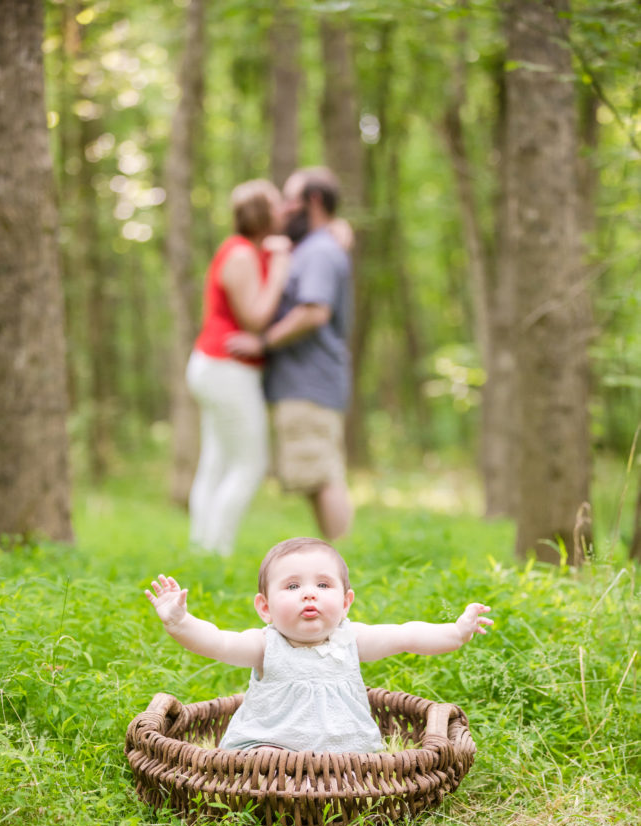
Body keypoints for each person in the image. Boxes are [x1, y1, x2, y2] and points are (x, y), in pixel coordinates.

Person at [145, 537, 493, 754]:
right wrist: (179, 622)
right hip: (271, 748)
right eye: (293, 586)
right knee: (264, 760)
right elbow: (218, 642)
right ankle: (279, 787)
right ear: (264, 608)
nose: (309, 593)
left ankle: (333, 785)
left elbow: (407, 635)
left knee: (356, 769)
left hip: (344, 755)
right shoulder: (265, 645)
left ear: (345, 603)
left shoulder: (352, 640)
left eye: (323, 585)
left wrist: (456, 632)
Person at [227, 168, 354, 542]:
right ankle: (339, 560)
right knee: (317, 475)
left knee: (323, 476)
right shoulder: (319, 246)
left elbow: (314, 311)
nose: (283, 209)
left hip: (309, 382)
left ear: (313, 201)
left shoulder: (319, 250)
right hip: (305, 382)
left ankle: (343, 561)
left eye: (290, 199)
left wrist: (263, 342)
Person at [186, 179, 291, 557]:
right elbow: (255, 319)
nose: (283, 212)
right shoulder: (242, 255)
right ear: (263, 213)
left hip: (215, 367)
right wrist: (279, 267)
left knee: (216, 460)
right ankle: (218, 549)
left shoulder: (243, 251)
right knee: (251, 462)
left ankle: (203, 548)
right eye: (277, 205)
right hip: (225, 369)